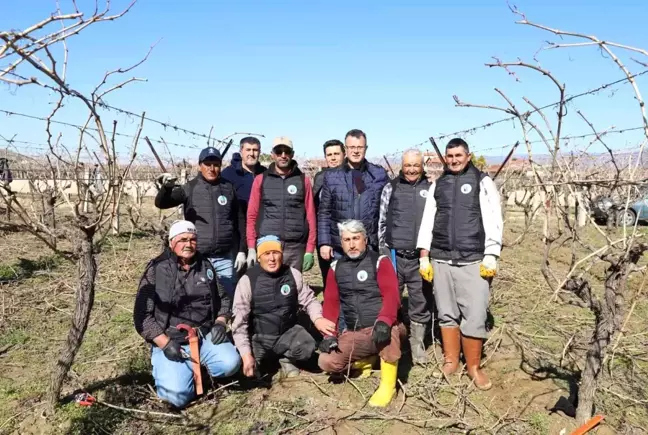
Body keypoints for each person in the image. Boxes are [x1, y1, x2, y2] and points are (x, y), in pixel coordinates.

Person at [416, 138, 503, 390]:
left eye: (458, 155)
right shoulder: (438, 184)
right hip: (441, 258)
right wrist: (424, 255)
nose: (454, 160)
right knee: (446, 313)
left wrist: (492, 254)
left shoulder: (481, 181)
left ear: (468, 156)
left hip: (473, 259)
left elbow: (494, 219)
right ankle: (451, 360)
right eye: (450, 156)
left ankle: (474, 367)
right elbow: (427, 220)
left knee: (475, 314)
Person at [133, 220, 241, 408]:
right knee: (176, 398)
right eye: (183, 239)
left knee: (231, 364)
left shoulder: (205, 265)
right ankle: (176, 370)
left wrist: (221, 322)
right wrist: (165, 343)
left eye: (192, 240)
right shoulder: (156, 269)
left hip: (203, 335)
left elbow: (224, 299)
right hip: (171, 340)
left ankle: (200, 370)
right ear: (171, 242)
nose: (188, 244)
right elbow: (142, 315)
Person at [318, 220, 405, 408]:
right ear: (341, 243)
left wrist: (384, 320)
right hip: (355, 331)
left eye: (356, 238)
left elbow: (392, 295)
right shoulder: (335, 268)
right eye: (347, 239)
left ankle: (388, 386)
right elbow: (331, 305)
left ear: (365, 239)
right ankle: (367, 359)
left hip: (383, 326)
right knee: (326, 361)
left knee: (388, 334)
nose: (352, 244)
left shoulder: (380, 261)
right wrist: (329, 335)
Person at [232, 235, 336, 378]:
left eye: (276, 253)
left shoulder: (293, 274)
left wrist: (318, 318)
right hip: (258, 338)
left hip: (287, 333)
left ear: (282, 254)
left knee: (308, 346)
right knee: (246, 367)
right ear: (258, 257)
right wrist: (245, 355)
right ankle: (263, 359)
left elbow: (309, 300)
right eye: (267, 254)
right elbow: (239, 321)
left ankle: (287, 358)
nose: (272, 258)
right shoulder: (247, 280)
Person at [155, 147, 246, 297]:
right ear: (200, 166)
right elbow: (161, 203)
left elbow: (239, 220)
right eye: (207, 164)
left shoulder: (228, 188)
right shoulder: (190, 188)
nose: (212, 168)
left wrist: (242, 250)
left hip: (225, 257)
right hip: (199, 257)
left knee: (228, 297)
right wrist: (166, 188)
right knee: (202, 297)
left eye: (216, 164)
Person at [378, 149, 433, 365]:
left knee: (420, 301)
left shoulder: (430, 189)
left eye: (416, 165)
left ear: (422, 166)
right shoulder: (390, 188)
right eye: (408, 165)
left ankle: (417, 345)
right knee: (391, 300)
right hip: (394, 255)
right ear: (402, 165)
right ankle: (392, 343)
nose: (411, 169)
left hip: (420, 258)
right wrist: (383, 252)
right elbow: (381, 221)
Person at [246, 137, 317, 272]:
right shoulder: (261, 180)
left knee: (292, 288)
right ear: (273, 154)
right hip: (268, 246)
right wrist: (251, 247)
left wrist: (309, 250)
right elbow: (252, 216)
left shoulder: (303, 181)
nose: (283, 155)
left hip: (295, 248)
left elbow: (311, 216)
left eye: (287, 151)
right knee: (267, 288)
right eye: (279, 151)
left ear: (292, 154)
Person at [317, 129, 388, 264]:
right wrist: (324, 242)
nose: (356, 151)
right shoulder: (332, 177)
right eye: (352, 147)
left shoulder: (379, 174)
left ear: (366, 148)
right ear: (346, 149)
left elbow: (387, 208)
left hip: (369, 245)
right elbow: (324, 212)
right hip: (340, 246)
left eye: (360, 147)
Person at [312, 139, 345, 285]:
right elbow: (315, 208)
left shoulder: (353, 176)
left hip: (346, 236)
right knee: (329, 279)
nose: (333, 158)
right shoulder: (320, 177)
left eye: (336, 154)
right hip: (325, 237)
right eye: (329, 154)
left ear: (344, 154)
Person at [221, 136, 267, 214]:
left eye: (255, 150)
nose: (251, 154)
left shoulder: (265, 174)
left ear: (259, 152)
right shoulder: (228, 174)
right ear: (241, 152)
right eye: (248, 150)